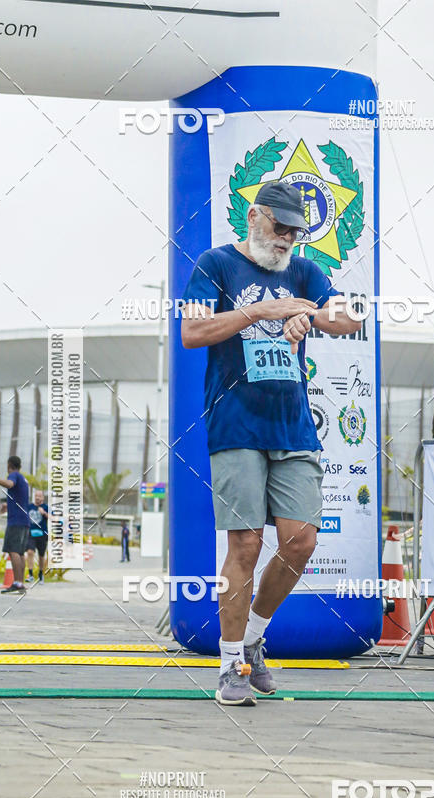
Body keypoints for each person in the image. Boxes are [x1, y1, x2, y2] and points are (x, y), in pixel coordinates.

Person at [181, 181, 360, 706]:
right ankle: (230, 663)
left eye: (295, 232)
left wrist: (315, 316)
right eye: (279, 227)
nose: (286, 239)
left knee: (301, 541)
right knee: (245, 544)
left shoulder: (304, 272)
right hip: (236, 424)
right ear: (254, 216)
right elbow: (192, 332)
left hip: (294, 426)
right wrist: (260, 312)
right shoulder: (215, 264)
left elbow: (350, 317)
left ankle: (255, 639)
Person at [0, 456, 30, 593]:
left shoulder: (14, 475)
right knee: (19, 552)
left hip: (16, 521)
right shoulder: (23, 479)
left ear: (9, 465)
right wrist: (7, 506)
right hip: (24, 520)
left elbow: (9, 484)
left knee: (13, 550)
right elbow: (20, 499)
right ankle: (20, 583)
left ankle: (18, 583)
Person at [26, 490, 49, 583]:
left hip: (42, 534)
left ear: (43, 497)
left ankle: (40, 574)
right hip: (31, 533)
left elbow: (53, 518)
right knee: (30, 552)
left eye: (39, 496)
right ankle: (30, 574)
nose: (37, 497)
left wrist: (44, 513)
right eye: (36, 495)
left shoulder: (46, 507)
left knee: (41, 556)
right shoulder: (29, 506)